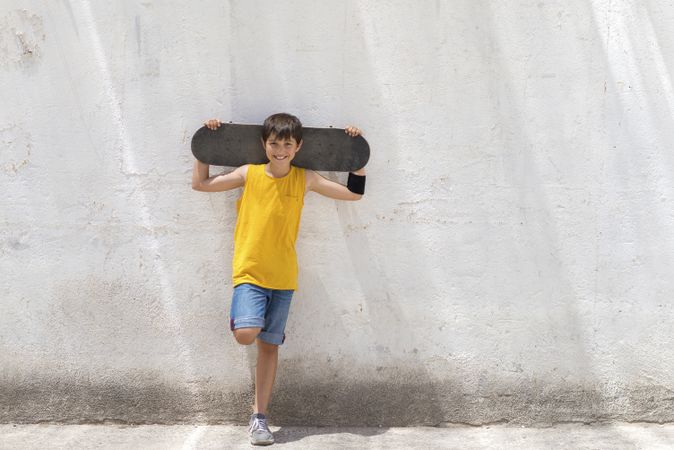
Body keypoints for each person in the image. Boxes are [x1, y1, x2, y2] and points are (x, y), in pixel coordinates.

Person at [191, 113, 366, 445]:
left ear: (298, 146)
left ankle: (259, 418)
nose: (280, 149)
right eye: (274, 143)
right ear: (264, 145)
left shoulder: (305, 179)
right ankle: (243, 329)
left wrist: (357, 156)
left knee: (269, 347)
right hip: (249, 273)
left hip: (284, 278)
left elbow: (353, 194)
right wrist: (206, 145)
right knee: (246, 334)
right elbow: (201, 184)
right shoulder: (250, 173)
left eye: (287, 144)